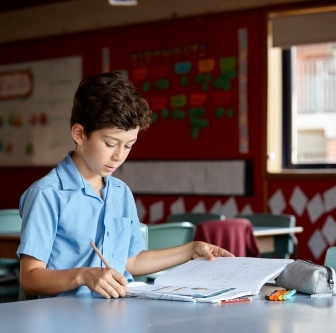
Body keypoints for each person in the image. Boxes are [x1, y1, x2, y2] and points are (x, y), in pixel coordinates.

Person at [17, 72, 233, 299]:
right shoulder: (47, 194)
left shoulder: (120, 192)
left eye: (129, 145)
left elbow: (132, 260)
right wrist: (83, 276)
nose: (119, 156)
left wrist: (191, 250)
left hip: (116, 312)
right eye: (110, 144)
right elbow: (30, 277)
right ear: (79, 134)